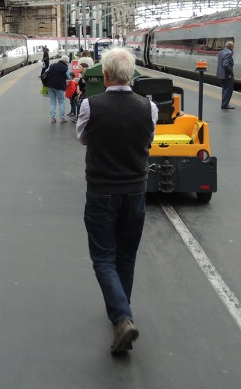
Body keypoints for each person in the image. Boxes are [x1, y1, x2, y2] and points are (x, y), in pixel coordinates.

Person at [75, 48, 158, 354]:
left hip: (101, 192)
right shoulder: (148, 108)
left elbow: (82, 138)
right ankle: (122, 309)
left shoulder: (90, 105)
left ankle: (122, 317)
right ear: (131, 75)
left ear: (106, 75)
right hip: (136, 191)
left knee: (103, 257)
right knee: (126, 255)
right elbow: (147, 140)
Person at [45, 55, 70, 122]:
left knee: (53, 102)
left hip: (50, 86)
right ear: (65, 61)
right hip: (59, 86)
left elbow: (46, 72)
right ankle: (62, 118)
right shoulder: (65, 68)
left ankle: (52, 118)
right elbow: (68, 77)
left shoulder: (52, 65)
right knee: (61, 102)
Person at [217, 41, 235, 109]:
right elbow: (225, 64)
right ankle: (225, 104)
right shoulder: (228, 53)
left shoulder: (221, 52)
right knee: (228, 90)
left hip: (222, 74)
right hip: (227, 74)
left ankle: (224, 103)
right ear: (231, 47)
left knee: (224, 89)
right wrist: (231, 72)